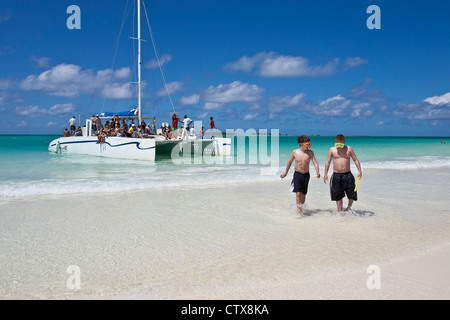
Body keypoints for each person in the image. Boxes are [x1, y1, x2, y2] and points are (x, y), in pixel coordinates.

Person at [280, 135, 320, 217]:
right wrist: (285, 173)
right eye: (307, 144)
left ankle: (302, 206)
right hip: (297, 174)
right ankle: (299, 211)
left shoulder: (310, 153)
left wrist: (317, 171)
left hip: (306, 175)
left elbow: (315, 163)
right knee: (298, 193)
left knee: (303, 193)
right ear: (301, 144)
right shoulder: (295, 152)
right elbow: (289, 162)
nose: (309, 146)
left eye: (309, 144)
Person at [323, 134, 362, 213]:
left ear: (344, 142)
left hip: (348, 175)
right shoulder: (332, 150)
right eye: (337, 145)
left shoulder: (349, 149)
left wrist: (359, 171)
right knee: (338, 195)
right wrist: (325, 174)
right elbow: (327, 162)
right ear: (335, 142)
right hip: (337, 175)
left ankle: (348, 208)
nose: (339, 147)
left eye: (341, 145)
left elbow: (355, 160)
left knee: (352, 193)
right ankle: (340, 212)